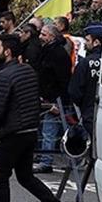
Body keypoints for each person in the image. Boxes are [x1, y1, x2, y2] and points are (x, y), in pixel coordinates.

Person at [0, 33, 75, 202]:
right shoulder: (29, 71)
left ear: (7, 51)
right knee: (25, 177)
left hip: (14, 132)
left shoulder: (5, 75)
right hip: (30, 130)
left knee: (0, 177)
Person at [33, 24, 73, 174]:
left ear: (51, 37)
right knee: (50, 129)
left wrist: (57, 100)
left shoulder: (57, 54)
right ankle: (46, 156)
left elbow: (62, 79)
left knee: (50, 131)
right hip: (48, 97)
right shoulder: (48, 51)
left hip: (55, 99)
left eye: (43, 34)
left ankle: (46, 161)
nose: (40, 37)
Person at [68, 22, 102, 135]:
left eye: (88, 40)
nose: (85, 44)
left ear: (96, 42)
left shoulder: (86, 63)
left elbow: (74, 91)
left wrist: (83, 106)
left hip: (89, 113)